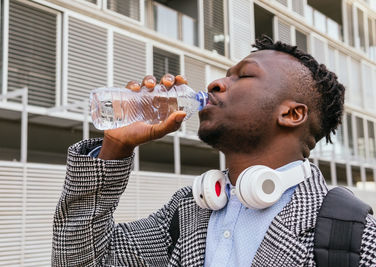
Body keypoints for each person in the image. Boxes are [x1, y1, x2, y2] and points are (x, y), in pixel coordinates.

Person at [52, 36, 376, 266]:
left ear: (292, 114)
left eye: (244, 75)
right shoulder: (186, 212)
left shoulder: (352, 234)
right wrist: (116, 147)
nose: (215, 84)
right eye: (224, 74)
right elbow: (83, 260)